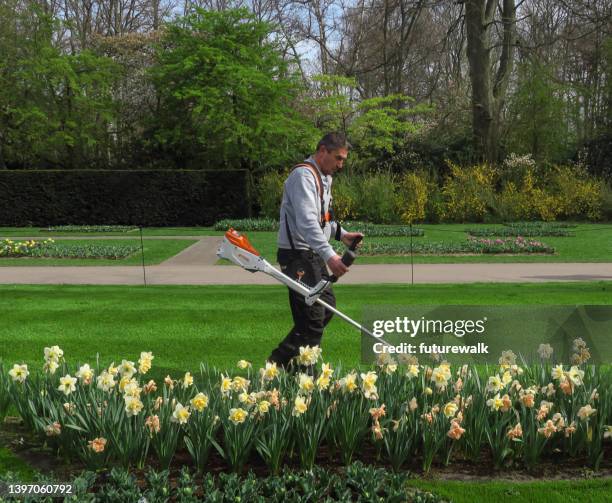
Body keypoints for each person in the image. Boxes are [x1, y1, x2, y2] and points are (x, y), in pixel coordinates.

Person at [268, 132, 363, 369]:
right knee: (312, 320)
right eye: (338, 158)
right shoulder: (303, 176)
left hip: (310, 255)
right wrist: (330, 256)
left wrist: (342, 234)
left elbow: (322, 221)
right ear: (322, 151)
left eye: (343, 160)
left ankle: (279, 362)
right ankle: (304, 382)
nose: (341, 165)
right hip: (297, 256)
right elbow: (307, 224)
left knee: (325, 307)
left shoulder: (323, 178)